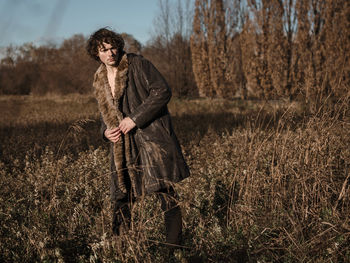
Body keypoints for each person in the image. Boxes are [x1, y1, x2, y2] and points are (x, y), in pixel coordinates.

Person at [86, 28, 190, 247]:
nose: (110, 53)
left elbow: (162, 91)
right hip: (121, 146)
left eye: (113, 47)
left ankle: (174, 248)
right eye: (104, 50)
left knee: (165, 193)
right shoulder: (99, 78)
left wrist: (135, 119)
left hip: (151, 140)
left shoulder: (137, 64)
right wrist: (105, 133)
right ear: (97, 54)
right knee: (121, 196)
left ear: (118, 46)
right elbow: (106, 113)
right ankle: (121, 248)